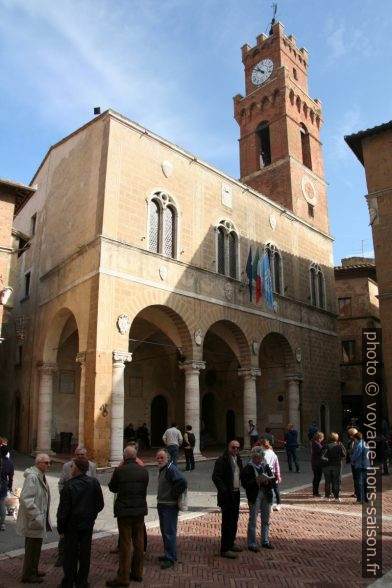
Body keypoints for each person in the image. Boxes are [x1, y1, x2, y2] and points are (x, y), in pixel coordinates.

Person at [57, 457, 104, 588]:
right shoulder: (93, 483)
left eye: (72, 466)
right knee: (85, 554)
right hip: (87, 524)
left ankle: (68, 581)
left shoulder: (69, 486)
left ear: (76, 468)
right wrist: (91, 515)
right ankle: (82, 581)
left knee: (70, 555)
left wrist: (61, 529)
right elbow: (100, 504)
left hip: (71, 526)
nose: (71, 468)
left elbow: (63, 511)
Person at [106, 445, 149, 586]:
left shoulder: (119, 471)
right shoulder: (144, 471)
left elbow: (112, 487)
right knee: (139, 542)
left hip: (124, 511)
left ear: (124, 457)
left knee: (125, 543)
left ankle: (123, 577)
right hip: (140, 511)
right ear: (135, 457)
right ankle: (137, 573)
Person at [56, 447, 97, 567]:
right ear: (74, 455)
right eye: (78, 454)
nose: (80, 456)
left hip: (85, 508)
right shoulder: (67, 466)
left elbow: (95, 485)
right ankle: (62, 556)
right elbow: (61, 483)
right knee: (65, 537)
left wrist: (91, 506)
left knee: (83, 538)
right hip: (70, 506)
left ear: (86, 455)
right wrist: (65, 497)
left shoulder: (92, 466)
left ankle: (79, 557)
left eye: (82, 454)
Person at [16, 454, 52, 584]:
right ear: (39, 463)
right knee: (31, 548)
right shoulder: (32, 477)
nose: (49, 465)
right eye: (46, 463)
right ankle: (28, 574)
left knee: (36, 547)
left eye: (49, 463)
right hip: (34, 520)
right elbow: (26, 499)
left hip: (38, 519)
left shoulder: (40, 475)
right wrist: (37, 515)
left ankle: (33, 569)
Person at [156, 448, 187, 569]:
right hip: (162, 504)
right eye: (157, 457)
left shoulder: (171, 469)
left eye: (161, 457)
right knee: (165, 531)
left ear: (168, 458)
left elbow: (183, 481)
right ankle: (168, 553)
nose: (159, 460)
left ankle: (170, 558)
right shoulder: (163, 469)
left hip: (169, 505)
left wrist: (173, 494)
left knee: (169, 532)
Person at [212, 440, 243, 559]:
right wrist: (224, 491)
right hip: (227, 495)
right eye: (233, 447)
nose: (235, 450)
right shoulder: (222, 460)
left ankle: (231, 543)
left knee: (234, 520)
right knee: (227, 522)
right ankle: (225, 548)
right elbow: (216, 477)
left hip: (236, 493)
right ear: (228, 447)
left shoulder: (238, 459)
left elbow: (241, 473)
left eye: (237, 448)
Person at [241, 447, 275, 551]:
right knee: (253, 520)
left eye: (260, 458)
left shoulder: (265, 466)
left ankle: (265, 540)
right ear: (253, 457)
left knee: (266, 519)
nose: (259, 460)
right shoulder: (248, 468)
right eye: (257, 458)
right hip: (255, 495)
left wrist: (267, 482)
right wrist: (256, 481)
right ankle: (252, 543)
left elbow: (273, 480)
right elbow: (245, 484)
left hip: (266, 494)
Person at [321, 432, 346, 502]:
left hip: (326, 465)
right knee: (336, 481)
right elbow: (344, 455)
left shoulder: (325, 446)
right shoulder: (339, 446)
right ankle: (337, 497)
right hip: (336, 465)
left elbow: (321, 455)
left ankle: (327, 497)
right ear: (337, 438)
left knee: (327, 481)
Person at [259, 439, 282, 510]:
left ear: (262, 445)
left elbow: (262, 464)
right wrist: (278, 475)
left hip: (266, 473)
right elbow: (277, 465)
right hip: (274, 473)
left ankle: (270, 505)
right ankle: (278, 504)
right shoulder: (273, 453)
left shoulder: (263, 454)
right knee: (276, 489)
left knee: (267, 489)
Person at [351, 431, 370, 504]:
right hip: (366, 465)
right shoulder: (365, 444)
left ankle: (360, 499)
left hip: (360, 465)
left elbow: (355, 455)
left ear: (356, 439)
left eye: (354, 439)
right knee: (365, 482)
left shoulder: (359, 445)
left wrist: (352, 460)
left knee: (359, 482)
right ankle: (366, 498)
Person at [0, 444, 14, 531]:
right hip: (3, 484)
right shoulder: (9, 462)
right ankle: (2, 524)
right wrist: (10, 486)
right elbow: (11, 476)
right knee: (2, 504)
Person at [311, 431, 324, 497]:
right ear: (319, 438)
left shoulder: (315, 443)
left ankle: (315, 492)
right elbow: (321, 453)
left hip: (315, 463)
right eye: (322, 437)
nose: (323, 438)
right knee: (317, 478)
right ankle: (315, 492)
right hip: (317, 464)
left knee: (316, 478)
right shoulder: (317, 444)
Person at [346, 427, 359, 497]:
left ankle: (358, 493)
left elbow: (355, 451)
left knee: (357, 477)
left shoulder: (357, 441)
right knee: (355, 478)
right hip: (353, 462)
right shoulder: (350, 441)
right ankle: (356, 492)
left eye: (350, 434)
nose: (349, 436)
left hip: (356, 462)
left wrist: (349, 451)